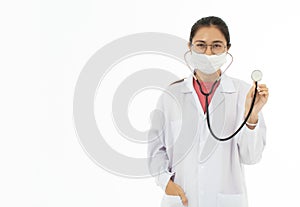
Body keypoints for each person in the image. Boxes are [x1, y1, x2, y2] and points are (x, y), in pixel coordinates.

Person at [147, 16, 269, 207]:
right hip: (181, 199)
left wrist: (251, 116)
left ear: (227, 48)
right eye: (201, 45)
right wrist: (165, 182)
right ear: (190, 46)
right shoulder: (171, 95)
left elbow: (251, 157)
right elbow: (155, 149)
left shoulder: (244, 93)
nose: (209, 53)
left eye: (217, 46)